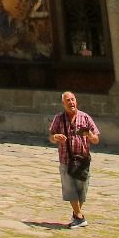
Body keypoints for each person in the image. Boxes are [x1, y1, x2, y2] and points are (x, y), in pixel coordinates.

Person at [48, 91, 99, 229]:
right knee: (70, 189)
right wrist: (56, 137)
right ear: (63, 103)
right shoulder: (59, 119)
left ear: (76, 101)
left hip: (83, 159)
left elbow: (96, 139)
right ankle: (79, 217)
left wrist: (88, 134)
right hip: (66, 159)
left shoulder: (85, 117)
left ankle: (77, 215)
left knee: (81, 190)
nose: (71, 102)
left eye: (73, 99)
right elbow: (51, 136)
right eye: (68, 100)